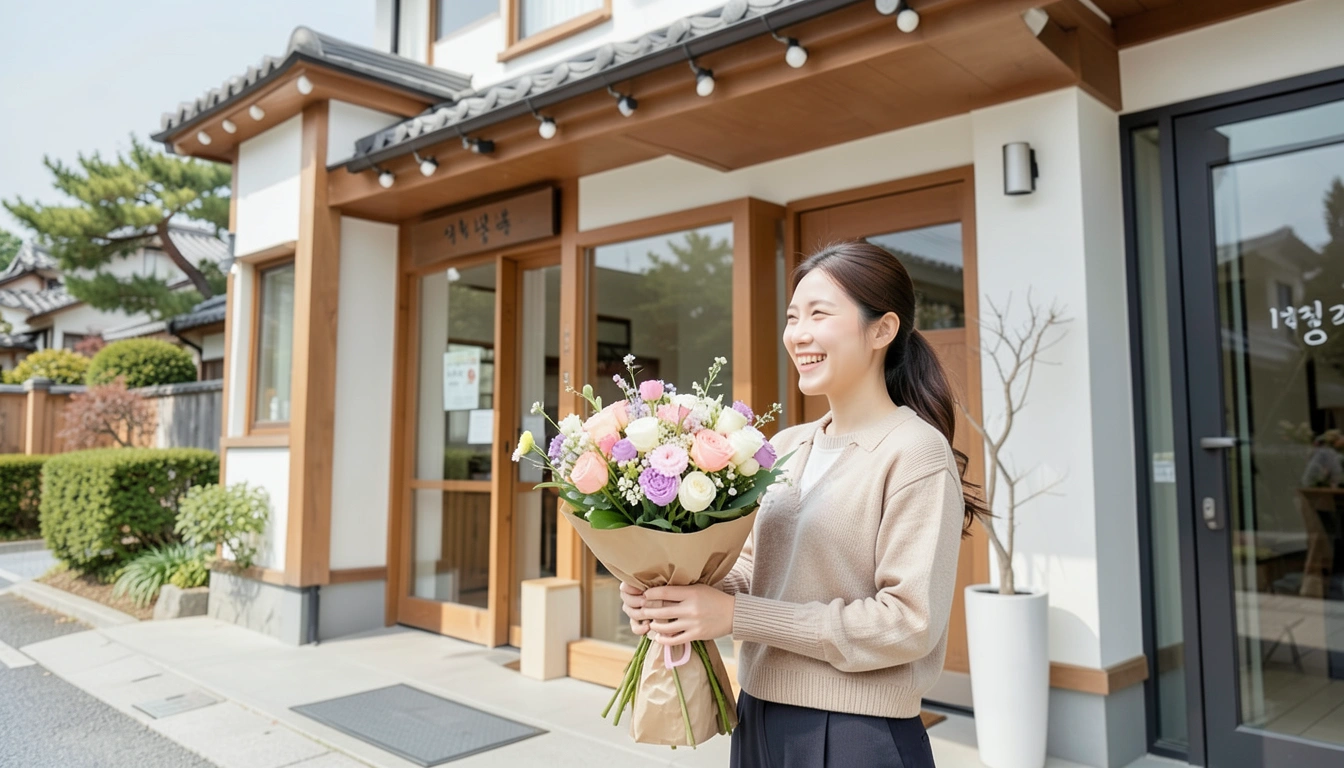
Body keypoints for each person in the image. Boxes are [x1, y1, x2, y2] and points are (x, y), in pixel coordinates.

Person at [620, 240, 988, 767]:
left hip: (857, 732)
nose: (799, 334)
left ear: (882, 330)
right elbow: (755, 568)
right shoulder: (788, 444)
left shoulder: (915, 452)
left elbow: (907, 623)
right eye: (793, 316)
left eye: (820, 313)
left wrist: (735, 615)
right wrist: (676, 599)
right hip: (758, 717)